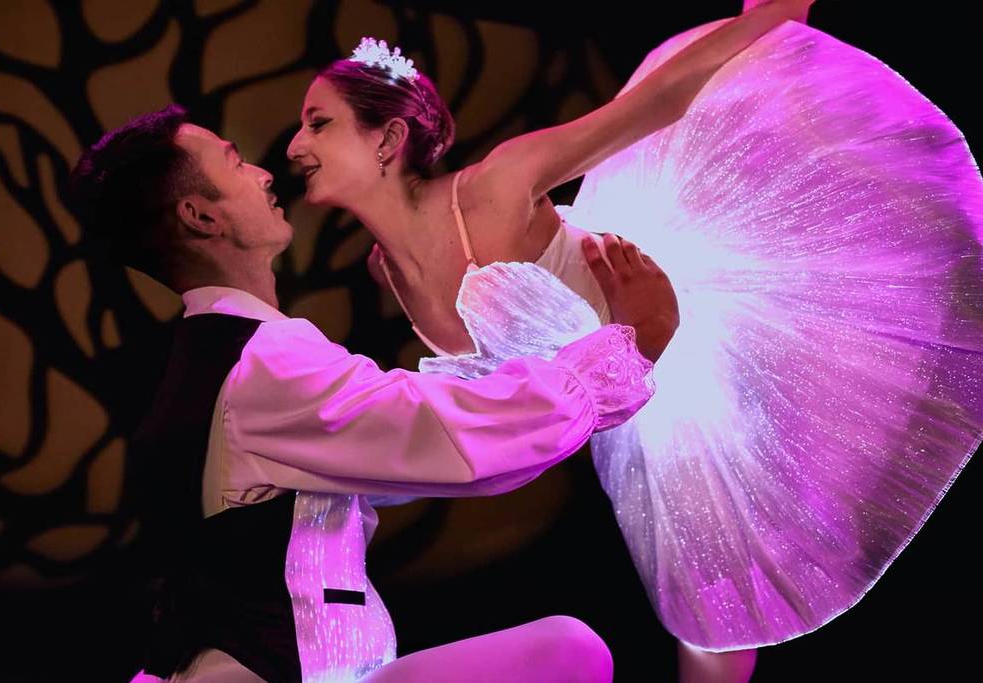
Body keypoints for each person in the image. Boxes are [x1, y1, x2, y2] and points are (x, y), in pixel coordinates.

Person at [285, 0, 983, 681]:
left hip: (691, 334)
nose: (295, 147)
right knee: (703, 596)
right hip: (619, 393)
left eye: (318, 124)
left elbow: (658, 102)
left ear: (387, 140)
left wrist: (767, 25)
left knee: (738, 570)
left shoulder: (493, 189)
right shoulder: (387, 271)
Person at [68, 104, 678, 682]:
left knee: (564, 650)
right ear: (201, 217)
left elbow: (401, 437)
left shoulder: (232, 356)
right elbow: (449, 436)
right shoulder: (262, 364)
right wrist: (630, 346)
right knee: (567, 651)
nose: (263, 170)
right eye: (234, 161)